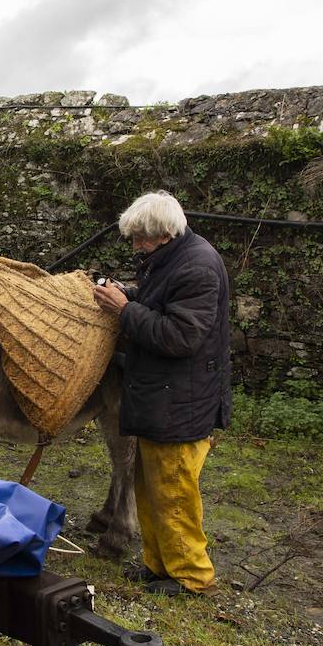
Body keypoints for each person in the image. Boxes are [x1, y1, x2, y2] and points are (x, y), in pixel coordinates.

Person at [92, 190, 230, 596]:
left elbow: (179, 335)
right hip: (161, 397)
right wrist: (126, 294)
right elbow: (159, 303)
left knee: (174, 492)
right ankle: (159, 565)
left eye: (142, 238)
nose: (136, 245)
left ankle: (191, 577)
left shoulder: (198, 268)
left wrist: (124, 310)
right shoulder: (170, 259)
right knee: (150, 487)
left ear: (165, 232)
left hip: (181, 402)